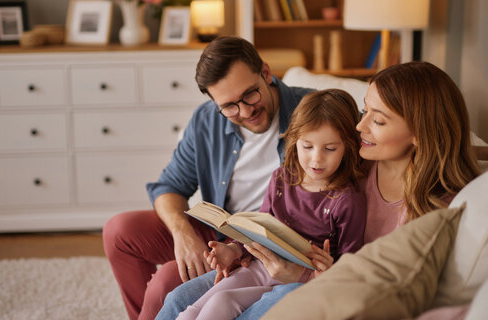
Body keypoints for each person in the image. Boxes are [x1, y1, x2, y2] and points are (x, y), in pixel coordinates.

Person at [157, 61, 481, 319]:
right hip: (274, 269)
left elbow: (378, 291)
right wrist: (241, 249)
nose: (359, 126)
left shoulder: (433, 212)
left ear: (421, 134)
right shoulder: (355, 161)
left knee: (239, 304)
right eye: (364, 110)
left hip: (315, 289)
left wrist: (299, 276)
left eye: (377, 120)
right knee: (179, 298)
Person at [101, 36, 313, 320]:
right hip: (220, 230)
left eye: (251, 94)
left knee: (167, 282)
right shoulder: (206, 120)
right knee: (119, 231)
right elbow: (169, 187)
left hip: (269, 242)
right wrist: (183, 234)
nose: (246, 111)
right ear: (215, 102)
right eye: (229, 106)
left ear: (266, 72)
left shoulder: (312, 111)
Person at [176, 89, 367, 320]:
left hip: (303, 281)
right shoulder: (282, 178)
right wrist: (232, 250)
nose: (316, 159)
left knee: (224, 303)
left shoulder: (347, 199)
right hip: (261, 265)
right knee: (197, 310)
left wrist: (330, 268)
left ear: (347, 147)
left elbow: (351, 266)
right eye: (307, 146)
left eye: (330, 149)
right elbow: (259, 228)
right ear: (295, 140)